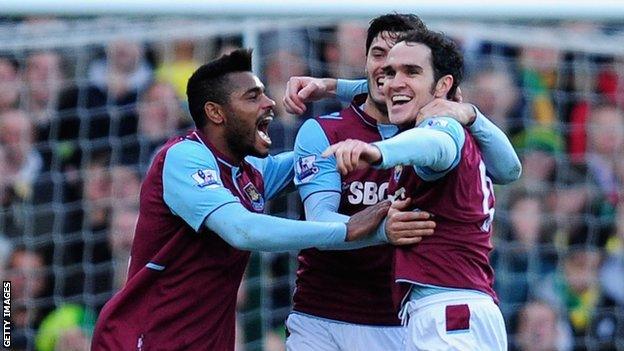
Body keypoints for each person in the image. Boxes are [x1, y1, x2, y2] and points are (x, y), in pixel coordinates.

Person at [91, 48, 431, 351]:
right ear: (216, 112)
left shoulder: (250, 173)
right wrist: (346, 229)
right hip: (142, 338)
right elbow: (243, 230)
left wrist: (337, 88)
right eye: (253, 96)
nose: (269, 103)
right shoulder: (182, 158)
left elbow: (317, 155)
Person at [283, 14, 521, 351]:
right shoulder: (325, 130)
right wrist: (333, 85)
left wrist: (377, 152)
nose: (391, 76)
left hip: (425, 316)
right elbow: (320, 224)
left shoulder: (437, 126)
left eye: (410, 69)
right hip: (326, 316)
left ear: (441, 84)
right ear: (366, 63)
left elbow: (495, 165)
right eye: (382, 59)